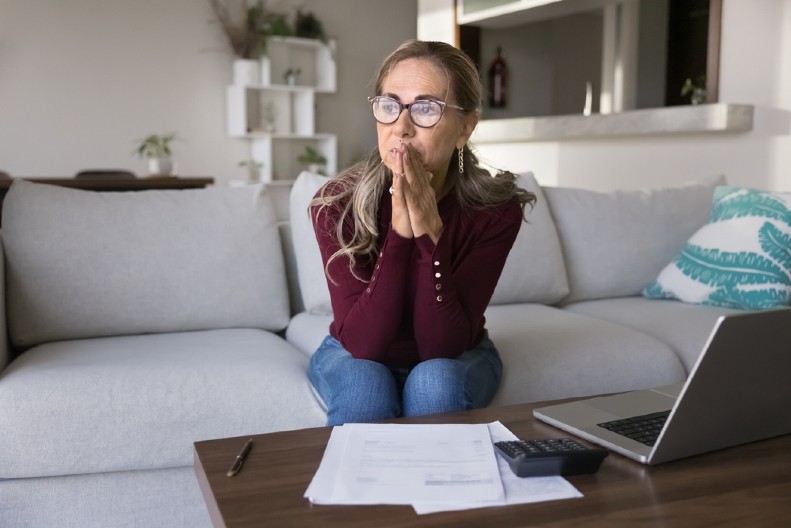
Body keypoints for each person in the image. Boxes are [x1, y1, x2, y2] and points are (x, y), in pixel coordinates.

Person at [308, 39, 536, 426]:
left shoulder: (496, 209)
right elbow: (364, 346)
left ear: (465, 128)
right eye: (390, 105)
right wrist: (400, 235)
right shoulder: (335, 204)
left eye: (426, 108)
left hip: (458, 354)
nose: (401, 127)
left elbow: (440, 347)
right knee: (365, 383)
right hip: (351, 351)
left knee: (435, 381)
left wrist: (431, 239)